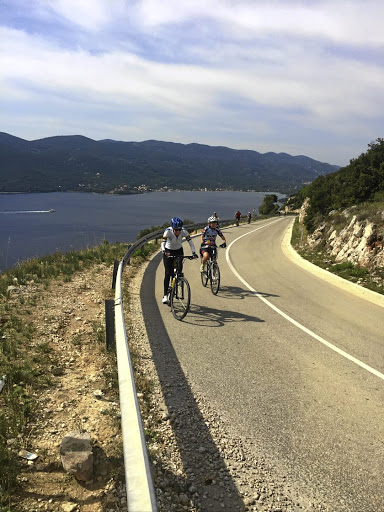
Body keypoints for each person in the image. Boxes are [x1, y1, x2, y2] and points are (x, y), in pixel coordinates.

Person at [161, 217, 198, 304]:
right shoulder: (168, 231)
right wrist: (164, 251)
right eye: (176, 230)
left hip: (178, 250)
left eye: (179, 229)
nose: (178, 231)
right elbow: (163, 242)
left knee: (179, 267)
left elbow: (191, 242)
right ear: (173, 228)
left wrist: (193, 252)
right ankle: (165, 295)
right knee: (167, 273)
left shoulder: (184, 231)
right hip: (168, 251)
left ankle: (178, 278)